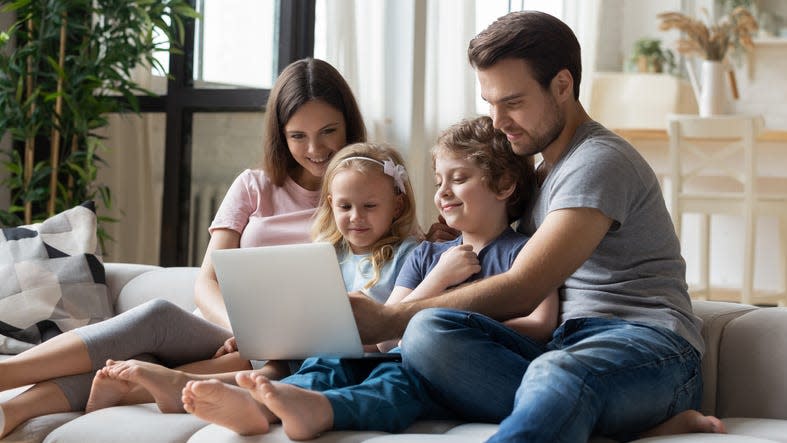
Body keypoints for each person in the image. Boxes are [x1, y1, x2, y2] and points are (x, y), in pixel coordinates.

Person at [345, 11, 724, 442]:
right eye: (490, 102)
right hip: (564, 348)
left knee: (555, 371)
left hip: (651, 351)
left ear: (562, 85)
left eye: (513, 102)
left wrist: (388, 318)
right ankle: (623, 424)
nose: (497, 120)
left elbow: (525, 286)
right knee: (429, 333)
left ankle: (606, 411)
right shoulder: (538, 173)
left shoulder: (599, 161)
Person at [0, 57, 367, 439]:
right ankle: (6, 384)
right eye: (297, 136)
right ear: (280, 134)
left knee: (138, 363)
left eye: (328, 131)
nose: (315, 148)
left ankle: (13, 410)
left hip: (289, 348)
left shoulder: (361, 197)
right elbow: (206, 281)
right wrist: (242, 329)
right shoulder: (254, 186)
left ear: (348, 126)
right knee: (157, 316)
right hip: (220, 327)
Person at [178, 115, 561, 440]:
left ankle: (310, 408)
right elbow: (385, 334)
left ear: (505, 186)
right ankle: (265, 403)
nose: (442, 192)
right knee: (340, 365)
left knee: (397, 384)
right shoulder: (428, 256)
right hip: (405, 366)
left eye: (457, 179)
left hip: (475, 372)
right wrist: (439, 279)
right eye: (438, 180)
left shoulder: (527, 252)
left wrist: (462, 327)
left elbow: (541, 322)